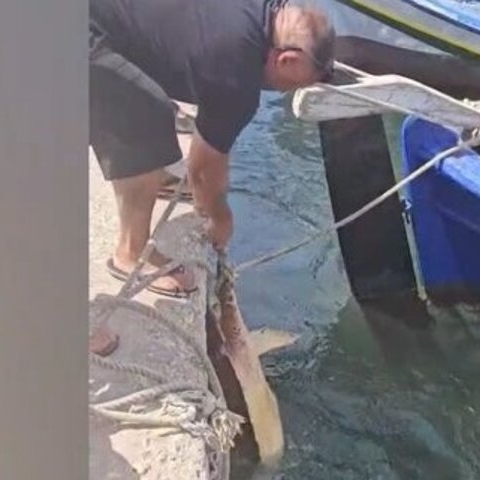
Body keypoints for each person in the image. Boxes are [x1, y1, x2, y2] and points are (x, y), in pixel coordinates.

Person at [89, 0, 335, 356]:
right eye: (294, 85)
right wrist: (219, 217)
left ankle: (147, 176)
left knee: (143, 110)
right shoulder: (238, 72)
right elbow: (203, 169)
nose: (286, 93)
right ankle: (131, 252)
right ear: (288, 60)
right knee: (146, 120)